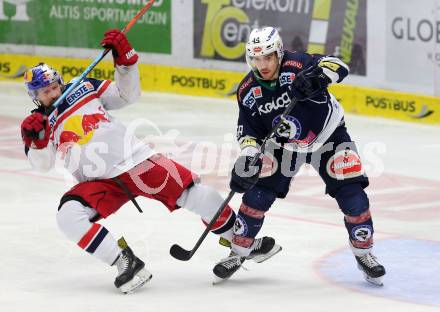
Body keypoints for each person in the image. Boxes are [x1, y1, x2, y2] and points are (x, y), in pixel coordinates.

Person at [20, 29, 280, 293]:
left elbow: (126, 95)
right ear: (34, 96)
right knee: (67, 216)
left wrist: (126, 63)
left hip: (137, 161)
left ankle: (241, 242)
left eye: (53, 87)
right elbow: (42, 164)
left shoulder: (83, 87)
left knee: (199, 195)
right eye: (44, 92)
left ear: (60, 82)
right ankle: (124, 260)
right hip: (99, 183)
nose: (52, 94)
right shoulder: (36, 125)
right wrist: (37, 141)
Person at [213, 27, 386, 286]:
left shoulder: (298, 64)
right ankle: (239, 252)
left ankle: (364, 253)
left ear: (279, 53)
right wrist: (248, 159)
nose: (263, 65)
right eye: (256, 59)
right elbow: (248, 132)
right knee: (256, 196)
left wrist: (319, 76)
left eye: (268, 58)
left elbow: (340, 66)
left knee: (353, 197)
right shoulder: (247, 90)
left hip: (329, 136)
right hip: (285, 148)